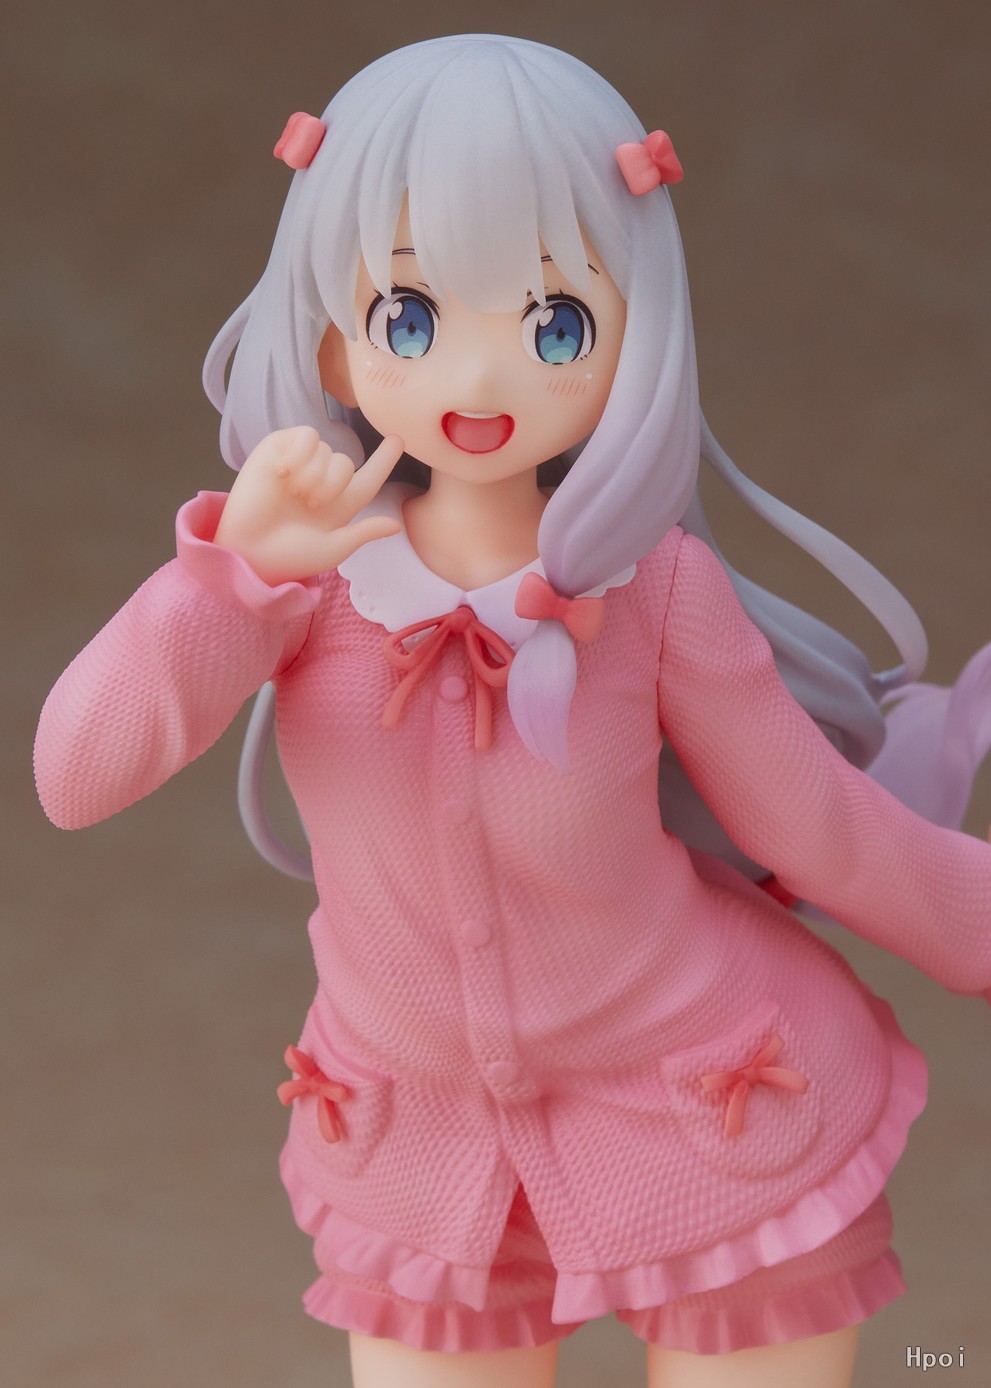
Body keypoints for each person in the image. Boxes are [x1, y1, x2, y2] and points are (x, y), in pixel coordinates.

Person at [35, 35, 991, 1388]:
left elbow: (818, 825)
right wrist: (229, 580)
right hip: (421, 1155)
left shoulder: (654, 591)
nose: (479, 387)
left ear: (633, 336)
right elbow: (74, 776)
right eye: (410, 319)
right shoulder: (303, 587)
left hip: (711, 1112)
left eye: (555, 328)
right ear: (332, 337)